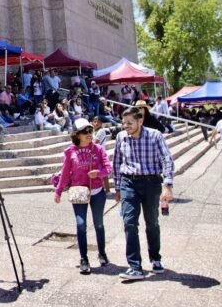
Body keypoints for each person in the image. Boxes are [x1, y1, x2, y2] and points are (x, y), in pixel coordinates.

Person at [113, 107, 175, 281]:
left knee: (152, 222)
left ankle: (155, 258)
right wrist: (117, 188)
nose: (126, 126)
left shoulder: (155, 135)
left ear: (140, 121)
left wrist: (168, 185)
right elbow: (117, 162)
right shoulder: (121, 137)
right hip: (128, 182)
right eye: (123, 123)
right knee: (129, 222)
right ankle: (134, 266)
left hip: (151, 182)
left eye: (130, 123)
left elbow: (167, 159)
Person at [53, 119, 112, 274]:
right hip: (79, 192)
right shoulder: (70, 151)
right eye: (85, 132)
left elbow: (108, 168)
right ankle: (84, 258)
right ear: (77, 134)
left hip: (97, 192)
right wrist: (58, 191)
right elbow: (65, 173)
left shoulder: (98, 149)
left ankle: (102, 253)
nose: (88, 134)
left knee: (99, 224)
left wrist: (98, 173)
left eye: (90, 131)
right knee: (80, 225)